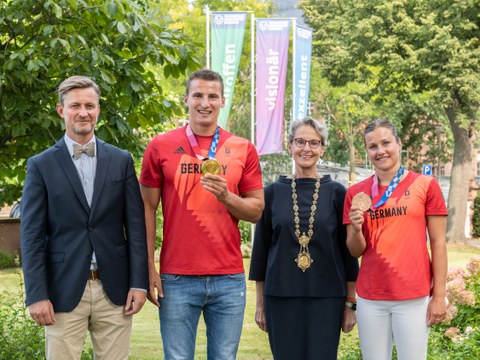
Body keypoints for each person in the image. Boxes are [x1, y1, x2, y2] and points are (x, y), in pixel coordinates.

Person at [20, 75, 149, 360]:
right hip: (62, 291)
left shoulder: (121, 160)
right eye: (75, 105)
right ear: (60, 110)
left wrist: (138, 283)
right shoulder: (40, 166)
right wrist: (37, 294)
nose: (83, 112)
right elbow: (30, 237)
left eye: (89, 105)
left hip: (114, 289)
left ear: (98, 109)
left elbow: (136, 229)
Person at [139, 68, 264, 360]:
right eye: (197, 95)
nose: (204, 103)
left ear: (222, 101)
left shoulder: (242, 148)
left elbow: (256, 210)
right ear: (186, 99)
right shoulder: (160, 145)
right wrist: (148, 266)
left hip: (229, 278)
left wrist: (226, 197)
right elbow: (146, 208)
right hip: (176, 278)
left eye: (212, 96)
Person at [249, 117, 359, 360]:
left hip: (327, 297)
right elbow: (261, 252)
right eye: (300, 142)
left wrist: (350, 304)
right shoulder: (271, 193)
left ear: (322, 148)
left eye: (313, 143)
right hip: (281, 297)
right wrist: (260, 304)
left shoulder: (338, 193)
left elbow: (349, 254)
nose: (306, 149)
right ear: (290, 146)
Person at [344, 119, 448, 360]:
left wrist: (439, 296)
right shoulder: (356, 193)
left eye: (386, 143)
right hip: (371, 297)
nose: (380, 151)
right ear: (367, 151)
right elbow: (355, 250)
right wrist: (357, 229)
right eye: (372, 146)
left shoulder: (425, 185)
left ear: (399, 144)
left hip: (413, 296)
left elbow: (439, 243)